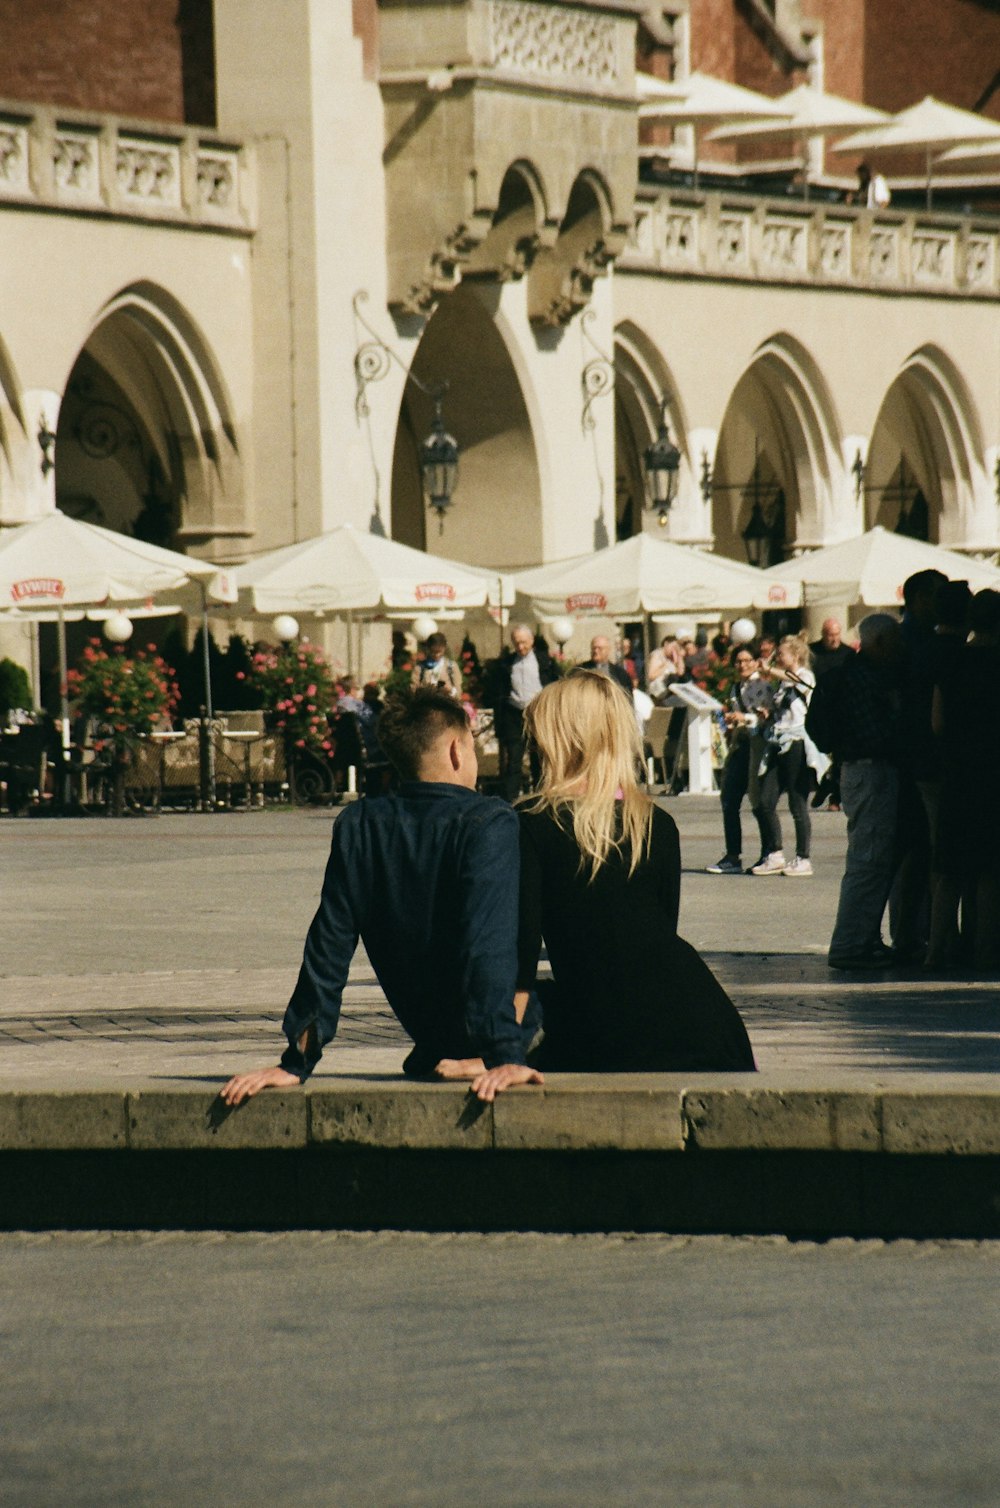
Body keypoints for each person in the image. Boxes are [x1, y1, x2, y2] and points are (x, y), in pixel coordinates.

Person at [220, 687, 544, 1107]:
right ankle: (479, 1056)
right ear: (456, 751)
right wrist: (504, 1052)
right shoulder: (486, 821)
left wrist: (297, 1060)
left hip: (431, 1037)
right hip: (499, 1034)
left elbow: (329, 943)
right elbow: (489, 942)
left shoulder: (360, 824)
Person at [515, 672, 756, 1072]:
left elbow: (518, 954)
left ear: (561, 741)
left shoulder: (532, 822)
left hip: (613, 1031)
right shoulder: (656, 824)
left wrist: (500, 1051)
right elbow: (656, 933)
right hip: (708, 1022)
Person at [819, 614, 904, 969]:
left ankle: (865, 938)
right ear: (880, 642)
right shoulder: (863, 678)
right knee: (867, 860)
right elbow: (873, 735)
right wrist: (898, 715)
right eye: (895, 642)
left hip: (858, 771)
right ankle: (850, 944)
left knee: (872, 858)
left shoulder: (854, 672)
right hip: (869, 771)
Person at [751, 634, 824, 877]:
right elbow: (780, 710)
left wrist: (769, 670)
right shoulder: (782, 684)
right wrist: (767, 713)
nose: (777, 657)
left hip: (796, 742)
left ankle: (803, 857)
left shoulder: (804, 675)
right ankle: (775, 853)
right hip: (776, 741)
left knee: (797, 801)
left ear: (795, 655)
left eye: (781, 654)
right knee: (765, 800)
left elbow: (794, 681)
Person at [705, 644, 771, 875]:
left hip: (757, 747)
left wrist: (744, 718)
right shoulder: (735, 687)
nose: (742, 665)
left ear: (755, 661)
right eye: (738, 661)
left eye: (747, 660)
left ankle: (769, 853)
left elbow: (767, 717)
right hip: (739, 746)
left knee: (759, 802)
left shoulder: (762, 686)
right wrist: (732, 724)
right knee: (729, 800)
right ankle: (733, 855)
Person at [486, 624, 560, 802]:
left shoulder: (544, 661)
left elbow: (557, 684)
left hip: (538, 714)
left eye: (524, 643)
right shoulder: (507, 663)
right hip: (514, 714)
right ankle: (510, 801)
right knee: (514, 760)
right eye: (517, 643)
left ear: (532, 641)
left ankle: (541, 797)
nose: (521, 647)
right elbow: (498, 690)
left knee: (539, 759)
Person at [410, 632, 462, 697]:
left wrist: (450, 690)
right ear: (428, 649)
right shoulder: (420, 667)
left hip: (446, 704)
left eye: (439, 651)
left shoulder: (451, 666)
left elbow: (458, 693)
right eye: (433, 652)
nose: (436, 655)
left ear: (444, 648)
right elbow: (413, 690)